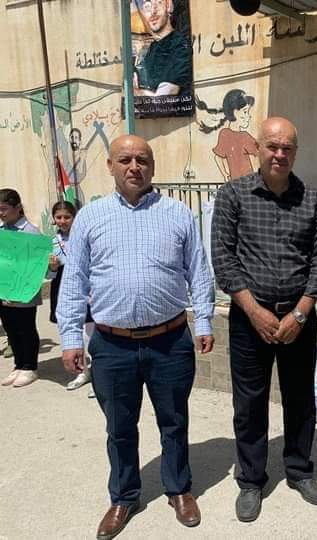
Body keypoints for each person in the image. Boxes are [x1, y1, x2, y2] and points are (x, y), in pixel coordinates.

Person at [57, 134, 215, 538]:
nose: (134, 167)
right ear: (110, 165)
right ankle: (124, 496)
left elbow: (198, 271)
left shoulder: (178, 214)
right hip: (112, 345)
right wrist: (71, 337)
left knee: (174, 421)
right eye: (125, 159)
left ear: (152, 166)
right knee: (119, 427)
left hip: (170, 341)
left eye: (142, 159)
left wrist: (204, 321)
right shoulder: (90, 218)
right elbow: (74, 281)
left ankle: (178, 489)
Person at [211, 117, 317, 523]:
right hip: (250, 320)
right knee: (249, 403)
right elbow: (224, 258)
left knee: (300, 399)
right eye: (272, 146)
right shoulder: (233, 195)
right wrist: (254, 310)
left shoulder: (311, 200)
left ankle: (299, 469)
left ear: (295, 152)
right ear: (258, 148)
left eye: (287, 148)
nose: (279, 154)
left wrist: (300, 312)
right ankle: (250, 479)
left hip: (299, 319)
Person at [47, 200, 94, 391]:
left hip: (84, 286)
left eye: (67, 217)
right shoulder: (51, 242)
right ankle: (82, 372)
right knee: (71, 330)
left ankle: (97, 374)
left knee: (89, 333)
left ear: (75, 217)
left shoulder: (83, 237)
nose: (63, 221)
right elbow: (48, 274)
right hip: (61, 286)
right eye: (58, 217)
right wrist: (52, 267)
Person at [0, 188, 42, 388]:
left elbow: (35, 265)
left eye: (4, 209)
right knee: (10, 328)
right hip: (4, 289)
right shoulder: (2, 230)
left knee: (25, 328)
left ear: (17, 208)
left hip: (24, 289)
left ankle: (29, 366)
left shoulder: (30, 232)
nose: (1, 213)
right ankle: (18, 364)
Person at [133, 0, 192, 97]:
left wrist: (136, 92)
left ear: (168, 6)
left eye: (158, 3)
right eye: (147, 7)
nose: (152, 12)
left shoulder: (180, 45)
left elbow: (163, 98)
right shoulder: (150, 50)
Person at [207, 89, 258, 181]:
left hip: (247, 182)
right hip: (239, 183)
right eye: (245, 111)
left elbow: (259, 152)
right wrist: (226, 175)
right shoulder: (226, 134)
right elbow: (218, 157)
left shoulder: (243, 136)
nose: (248, 116)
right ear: (234, 112)